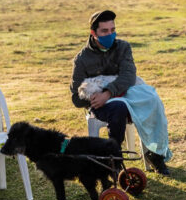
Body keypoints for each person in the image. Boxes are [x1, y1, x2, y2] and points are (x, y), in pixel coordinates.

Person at [70, 10, 170, 175]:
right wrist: (94, 99)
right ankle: (114, 160)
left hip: (125, 94)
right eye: (104, 31)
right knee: (118, 107)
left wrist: (108, 93)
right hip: (102, 104)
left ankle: (155, 153)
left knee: (153, 98)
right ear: (93, 33)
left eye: (112, 30)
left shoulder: (123, 47)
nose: (110, 35)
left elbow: (129, 75)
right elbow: (76, 97)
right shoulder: (81, 59)